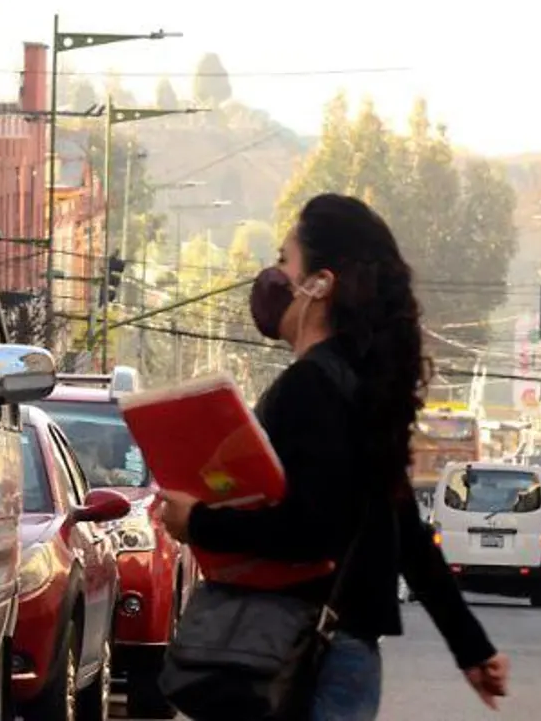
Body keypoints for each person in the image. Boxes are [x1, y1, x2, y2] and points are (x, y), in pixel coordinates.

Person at [154, 194, 509, 720]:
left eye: (284, 260)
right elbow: (403, 527)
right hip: (343, 652)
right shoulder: (361, 387)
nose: (273, 276)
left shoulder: (310, 386)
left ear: (319, 283)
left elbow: (309, 532)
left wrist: (198, 522)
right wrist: (471, 646)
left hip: (296, 654)